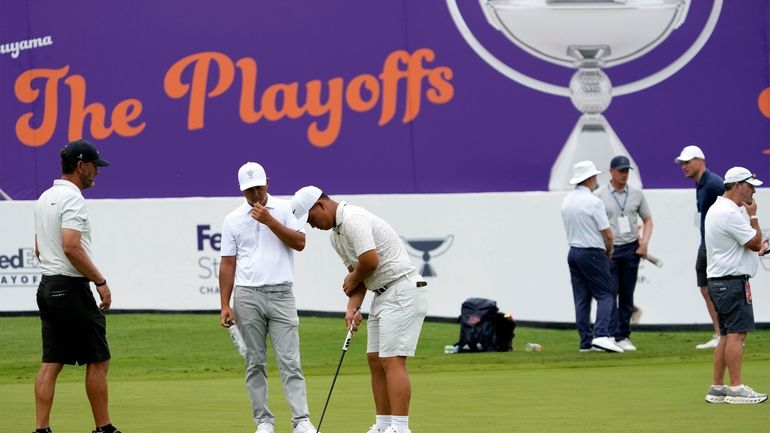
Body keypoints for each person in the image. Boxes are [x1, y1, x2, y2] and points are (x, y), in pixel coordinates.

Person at [291, 186, 428, 433]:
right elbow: (359, 274)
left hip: (402, 289)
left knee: (392, 360)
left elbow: (370, 262)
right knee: (375, 360)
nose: (312, 226)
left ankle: (400, 428)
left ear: (320, 205)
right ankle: (384, 424)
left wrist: (354, 279)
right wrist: (352, 308)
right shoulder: (336, 236)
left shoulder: (353, 218)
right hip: (382, 294)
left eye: (310, 219)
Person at [218, 162, 316, 433]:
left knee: (290, 361)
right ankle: (263, 421)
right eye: (249, 190)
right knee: (255, 362)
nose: (255, 195)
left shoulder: (285, 209)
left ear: (268, 183)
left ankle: (301, 421)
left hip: (282, 293)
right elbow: (227, 264)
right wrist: (225, 304)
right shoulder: (233, 219)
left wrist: (269, 220)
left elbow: (299, 243)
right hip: (247, 296)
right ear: (241, 191)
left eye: (258, 188)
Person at [33, 139, 121, 433]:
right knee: (98, 358)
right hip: (70, 288)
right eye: (94, 166)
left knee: (52, 360)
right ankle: (103, 428)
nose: (97, 172)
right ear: (81, 165)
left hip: (47, 286)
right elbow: (71, 246)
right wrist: (100, 280)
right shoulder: (73, 199)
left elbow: (38, 249)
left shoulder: (45, 197)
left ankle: (41, 429)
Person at [702, 167, 768, 404]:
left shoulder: (717, 209)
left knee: (726, 335)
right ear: (738, 185)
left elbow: (743, 246)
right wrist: (754, 216)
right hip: (731, 284)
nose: (753, 192)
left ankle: (717, 388)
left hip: (721, 282)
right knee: (736, 336)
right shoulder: (730, 213)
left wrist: (757, 247)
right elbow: (753, 242)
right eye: (751, 186)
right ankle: (737, 388)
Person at [561, 161, 623, 353]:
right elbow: (608, 234)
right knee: (606, 295)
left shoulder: (567, 201)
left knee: (581, 299)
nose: (596, 180)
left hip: (573, 252)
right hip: (593, 252)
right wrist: (609, 252)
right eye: (594, 177)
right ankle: (602, 335)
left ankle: (585, 342)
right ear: (589, 179)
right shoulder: (594, 201)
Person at [594, 156, 653, 352]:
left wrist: (644, 243)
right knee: (609, 294)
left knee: (627, 295)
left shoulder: (636, 194)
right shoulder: (599, 195)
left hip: (630, 248)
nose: (624, 174)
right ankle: (609, 335)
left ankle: (622, 336)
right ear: (611, 171)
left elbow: (648, 220)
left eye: (627, 171)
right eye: (621, 171)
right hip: (609, 250)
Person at [675, 145, 724, 349]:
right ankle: (720, 334)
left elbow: (733, 206)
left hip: (716, 247)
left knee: (716, 290)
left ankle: (726, 335)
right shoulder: (700, 185)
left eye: (687, 162)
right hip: (706, 245)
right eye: (682, 163)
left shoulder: (713, 183)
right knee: (705, 289)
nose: (684, 166)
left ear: (700, 161)